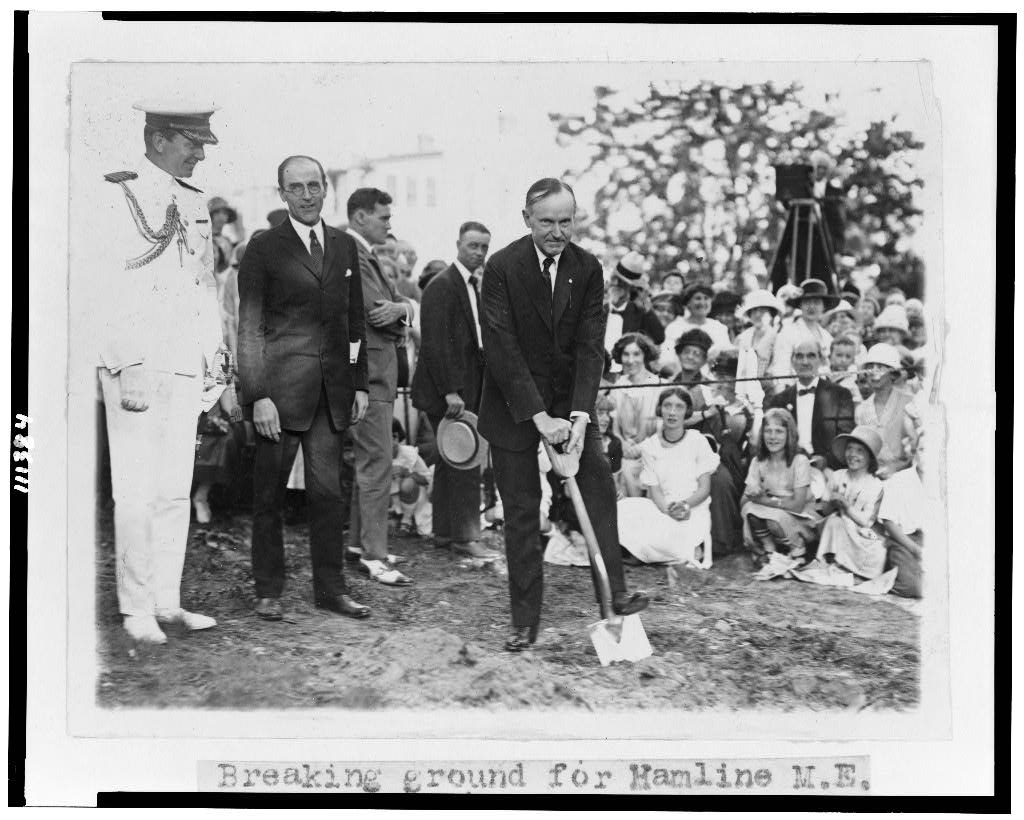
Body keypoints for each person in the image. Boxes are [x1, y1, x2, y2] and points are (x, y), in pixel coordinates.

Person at [478, 177, 649, 652]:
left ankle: (614, 597)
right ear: (527, 219)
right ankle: (524, 622)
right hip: (513, 405)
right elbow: (501, 347)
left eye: (566, 221)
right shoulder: (501, 268)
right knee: (520, 510)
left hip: (567, 406)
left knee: (596, 487)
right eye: (547, 222)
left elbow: (591, 346)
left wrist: (577, 416)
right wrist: (538, 417)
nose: (557, 232)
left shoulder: (588, 268)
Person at [93, 103, 225, 643]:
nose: (200, 153)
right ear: (160, 138)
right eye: (192, 142)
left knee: (174, 490)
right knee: (136, 489)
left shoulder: (193, 202)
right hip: (138, 364)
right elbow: (104, 284)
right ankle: (135, 609)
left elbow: (204, 286)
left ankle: (167, 601)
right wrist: (128, 362)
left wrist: (212, 361)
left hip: (183, 364)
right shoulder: (114, 194)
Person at [237, 154, 371, 622]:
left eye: (315, 185)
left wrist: (358, 383)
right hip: (280, 397)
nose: (308, 195)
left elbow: (354, 320)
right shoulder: (263, 249)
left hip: (331, 397)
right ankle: (269, 590)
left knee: (329, 497)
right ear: (282, 194)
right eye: (297, 187)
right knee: (269, 498)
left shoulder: (343, 246)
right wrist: (258, 396)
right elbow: (249, 328)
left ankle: (330, 590)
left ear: (325, 189)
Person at [411, 220, 499, 559]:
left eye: (483, 247)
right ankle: (466, 538)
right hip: (446, 391)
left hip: (468, 386)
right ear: (458, 244)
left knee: (452, 460)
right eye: (472, 245)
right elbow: (434, 345)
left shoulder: (475, 285)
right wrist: (450, 391)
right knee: (464, 459)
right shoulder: (441, 285)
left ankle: (445, 535)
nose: (478, 252)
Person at [344, 188, 416, 587]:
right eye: (383, 217)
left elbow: (396, 305)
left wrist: (403, 308)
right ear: (359, 217)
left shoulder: (364, 254)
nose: (390, 224)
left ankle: (360, 544)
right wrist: (403, 311)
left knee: (370, 462)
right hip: (370, 374)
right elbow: (380, 313)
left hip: (375, 373)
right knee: (377, 463)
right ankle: (374, 555)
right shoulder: (354, 254)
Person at [617, 387, 719, 565]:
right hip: (662, 508)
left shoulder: (697, 441)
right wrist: (667, 511)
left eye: (679, 407)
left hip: (692, 511)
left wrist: (685, 506)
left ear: (687, 411)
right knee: (621, 509)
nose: (672, 412)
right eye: (667, 406)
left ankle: (656, 550)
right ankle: (655, 550)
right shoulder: (650, 446)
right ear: (660, 410)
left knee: (665, 537)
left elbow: (704, 489)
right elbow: (655, 490)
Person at [740, 408, 819, 575]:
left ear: (789, 434)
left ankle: (798, 551)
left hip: (799, 516)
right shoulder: (758, 461)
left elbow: (797, 505)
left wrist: (762, 500)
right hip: (771, 511)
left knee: (772, 517)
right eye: (768, 431)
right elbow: (744, 501)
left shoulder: (799, 460)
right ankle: (769, 549)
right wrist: (752, 493)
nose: (772, 437)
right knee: (749, 510)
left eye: (779, 432)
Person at [767, 340, 855, 472]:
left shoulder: (840, 395)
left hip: (828, 469)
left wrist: (826, 461)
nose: (805, 362)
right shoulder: (779, 400)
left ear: (821, 360)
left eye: (811, 356)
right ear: (792, 361)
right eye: (799, 356)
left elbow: (844, 438)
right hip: (788, 468)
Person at [703, 348, 756, 557]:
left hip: (739, 465)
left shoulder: (748, 408)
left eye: (731, 378)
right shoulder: (707, 401)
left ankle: (726, 538)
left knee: (721, 479)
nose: (725, 383)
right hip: (706, 460)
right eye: (721, 377)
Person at [816, 426, 886, 579]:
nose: (853, 454)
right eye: (849, 449)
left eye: (860, 451)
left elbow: (867, 521)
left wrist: (846, 505)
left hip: (862, 537)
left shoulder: (876, 485)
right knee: (834, 521)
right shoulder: (837, 476)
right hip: (838, 531)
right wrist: (832, 502)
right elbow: (824, 511)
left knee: (879, 551)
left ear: (870, 457)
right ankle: (834, 561)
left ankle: (851, 568)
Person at [608, 332, 662, 497]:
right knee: (622, 470)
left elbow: (661, 429)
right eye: (626, 354)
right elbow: (614, 426)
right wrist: (622, 443)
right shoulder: (618, 386)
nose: (631, 360)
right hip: (626, 453)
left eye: (636, 354)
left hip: (653, 453)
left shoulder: (659, 386)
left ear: (645, 355)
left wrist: (641, 448)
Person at [768, 277, 837, 388]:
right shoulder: (788, 333)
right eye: (807, 302)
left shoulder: (827, 337)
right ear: (800, 305)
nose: (812, 307)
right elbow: (780, 371)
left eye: (816, 302)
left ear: (824, 306)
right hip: (794, 390)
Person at [603, 250, 664, 356]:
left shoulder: (639, 312)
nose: (617, 284)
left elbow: (658, 337)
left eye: (623, 282)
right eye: (615, 278)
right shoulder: (597, 309)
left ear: (632, 287)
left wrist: (646, 305)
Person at [660, 282, 731, 370]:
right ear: (688, 303)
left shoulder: (719, 328)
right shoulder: (675, 327)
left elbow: (727, 356)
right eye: (698, 298)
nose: (702, 302)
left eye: (706, 298)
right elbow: (666, 357)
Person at [735, 289, 781, 401]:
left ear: (771, 313)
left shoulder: (777, 337)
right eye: (754, 310)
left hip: (768, 388)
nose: (758, 314)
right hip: (742, 387)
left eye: (762, 310)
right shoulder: (742, 337)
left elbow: (777, 367)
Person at [389, 419, 431, 537]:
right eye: (387, 437)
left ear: (399, 437)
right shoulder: (379, 456)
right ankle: (394, 517)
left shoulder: (409, 454)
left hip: (413, 497)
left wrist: (406, 472)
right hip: (391, 499)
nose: (391, 442)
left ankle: (407, 519)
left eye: (394, 436)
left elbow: (427, 478)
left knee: (408, 483)